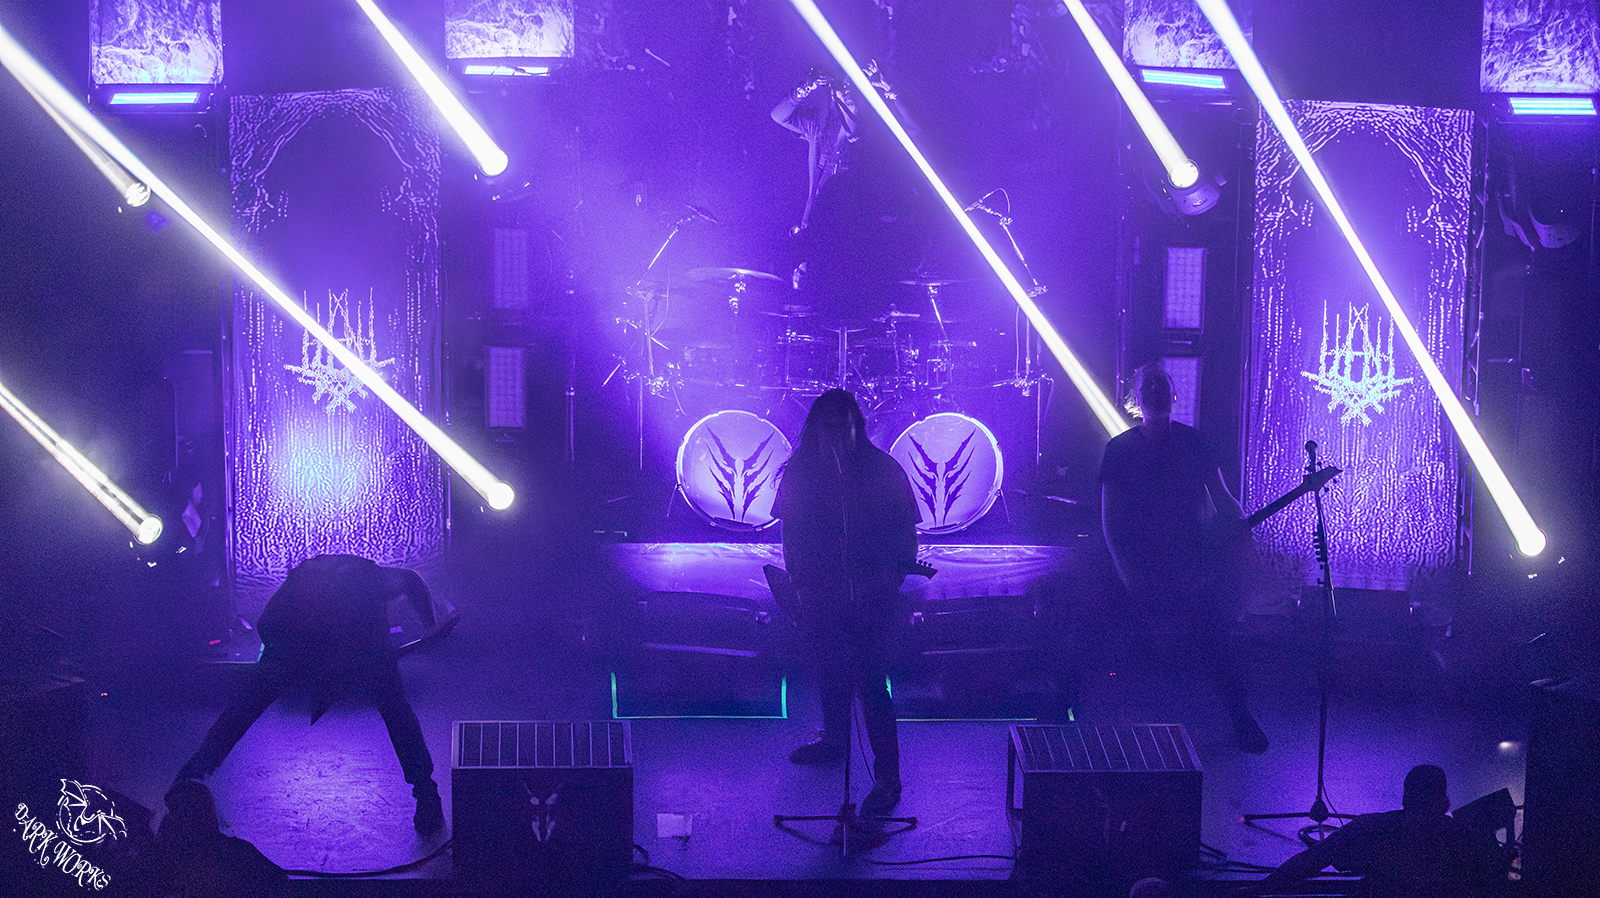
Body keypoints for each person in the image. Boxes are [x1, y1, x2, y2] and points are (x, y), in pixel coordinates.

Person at [175, 554, 445, 834]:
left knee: (394, 708)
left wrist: (430, 627)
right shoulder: (291, 617)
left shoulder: (359, 590)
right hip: (303, 643)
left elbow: (410, 581)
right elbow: (269, 631)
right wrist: (431, 628)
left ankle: (194, 771)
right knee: (395, 710)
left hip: (351, 640)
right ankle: (195, 771)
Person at [1099, 364, 1267, 753]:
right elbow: (1111, 521)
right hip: (1144, 569)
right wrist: (1127, 574)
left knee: (1220, 645)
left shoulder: (1195, 443)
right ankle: (1122, 734)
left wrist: (1239, 525)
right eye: (1149, 386)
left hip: (1192, 567)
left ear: (1173, 395)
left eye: (1162, 385)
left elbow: (1222, 496)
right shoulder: (1119, 451)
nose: (1156, 391)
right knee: (1131, 654)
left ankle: (1240, 719)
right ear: (1136, 398)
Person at [774, 389, 920, 817]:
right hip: (821, 591)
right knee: (830, 671)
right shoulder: (800, 473)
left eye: (846, 426)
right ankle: (835, 739)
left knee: (873, 684)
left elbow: (907, 530)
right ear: (817, 429)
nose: (838, 436)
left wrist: (893, 575)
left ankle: (888, 778)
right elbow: (788, 530)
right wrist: (798, 579)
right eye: (830, 427)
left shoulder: (883, 470)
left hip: (873, 596)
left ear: (859, 426)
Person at [1241, 765, 1508, 897]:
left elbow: (1312, 860)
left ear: (1405, 799)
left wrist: (1256, 890)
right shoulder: (1465, 838)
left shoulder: (1374, 829)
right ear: (1444, 802)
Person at [121, 780, 289, 898]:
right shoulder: (156, 861)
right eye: (176, 812)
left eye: (188, 811)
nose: (183, 819)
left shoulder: (236, 854)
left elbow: (278, 884)